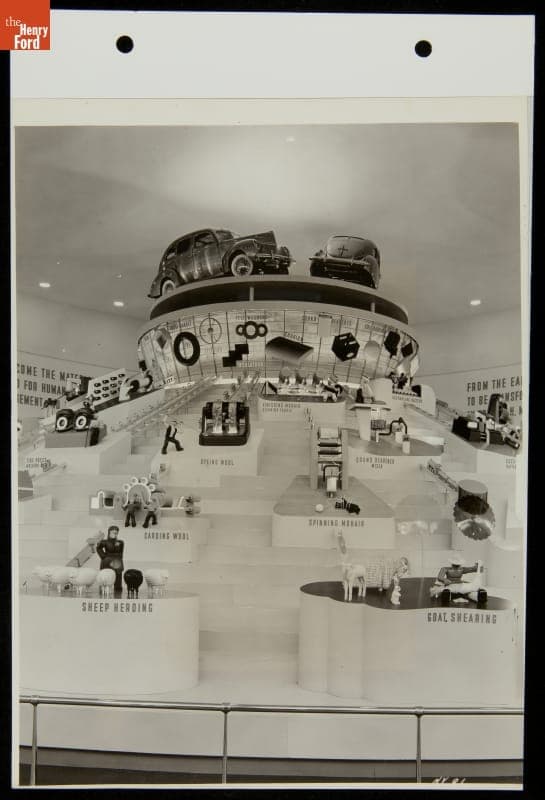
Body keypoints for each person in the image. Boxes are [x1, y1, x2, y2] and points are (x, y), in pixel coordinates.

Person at [96, 526, 124, 593]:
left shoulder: (120, 542)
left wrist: (120, 558)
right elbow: (98, 548)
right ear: (109, 532)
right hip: (107, 559)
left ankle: (118, 589)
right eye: (113, 531)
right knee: (104, 575)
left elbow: (121, 552)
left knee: (118, 573)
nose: (115, 533)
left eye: (116, 532)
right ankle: (103, 588)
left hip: (117, 559)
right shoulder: (104, 542)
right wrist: (103, 556)